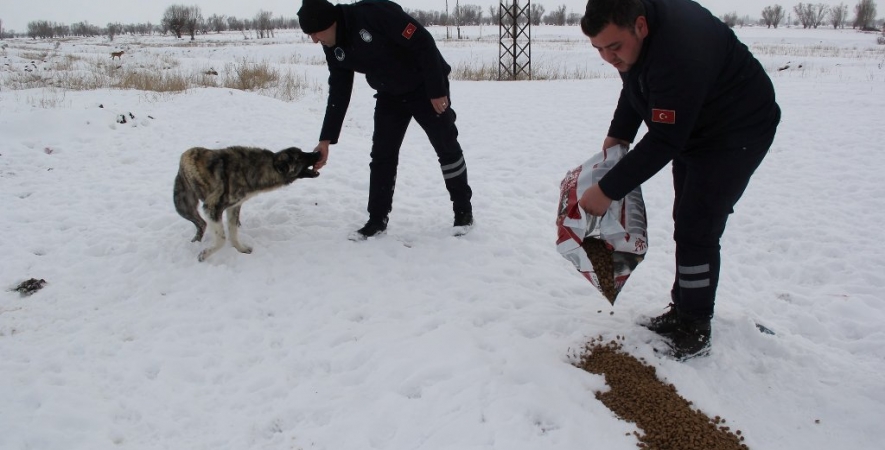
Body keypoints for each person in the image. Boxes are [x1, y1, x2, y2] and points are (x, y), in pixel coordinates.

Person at [578, 0, 780, 359]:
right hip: (695, 125)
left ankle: (696, 326)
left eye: (613, 47)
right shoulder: (633, 41)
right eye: (599, 49)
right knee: (686, 220)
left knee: (697, 225)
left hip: (736, 129)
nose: (608, 58)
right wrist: (620, 132)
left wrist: (607, 191)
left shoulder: (679, 49)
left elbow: (665, 140)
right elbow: (635, 81)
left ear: (640, 26)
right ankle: (683, 310)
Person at [297, 0, 474, 240]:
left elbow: (423, 42)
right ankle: (377, 220)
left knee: (446, 146)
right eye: (310, 35)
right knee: (382, 155)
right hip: (390, 94)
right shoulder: (332, 45)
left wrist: (437, 89)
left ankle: (463, 211)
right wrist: (326, 139)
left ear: (330, 23)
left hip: (425, 87)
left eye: (315, 33)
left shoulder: (374, 14)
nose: (314, 40)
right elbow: (339, 90)